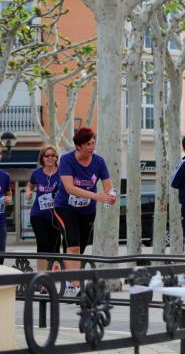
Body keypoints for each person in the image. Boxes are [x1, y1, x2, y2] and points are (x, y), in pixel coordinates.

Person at [53, 127, 117, 297]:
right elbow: (70, 188)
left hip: (87, 210)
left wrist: (111, 195)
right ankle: (75, 287)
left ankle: (69, 279)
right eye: (88, 144)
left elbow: (108, 186)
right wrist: (98, 196)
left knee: (79, 249)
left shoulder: (99, 162)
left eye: (94, 142)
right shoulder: (66, 160)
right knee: (73, 246)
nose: (92, 146)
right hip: (64, 207)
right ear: (78, 146)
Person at [25, 145, 61, 273]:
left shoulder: (62, 172)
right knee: (43, 244)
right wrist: (28, 192)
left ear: (56, 158)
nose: (50, 158)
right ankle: (41, 277)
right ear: (42, 158)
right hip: (38, 215)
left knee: (55, 246)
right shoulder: (37, 173)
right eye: (47, 155)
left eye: (53, 155)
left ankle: (52, 274)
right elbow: (30, 185)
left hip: (57, 216)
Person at [0, 149, 12, 265]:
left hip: (1, 223)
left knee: (1, 256)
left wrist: (8, 198)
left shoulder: (5, 176)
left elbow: (9, 193)